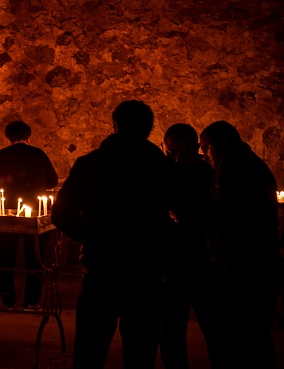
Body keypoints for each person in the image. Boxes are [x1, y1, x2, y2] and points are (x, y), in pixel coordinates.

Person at [51, 100, 177, 369]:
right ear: (149, 128)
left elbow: (61, 214)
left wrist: (91, 236)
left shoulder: (90, 164)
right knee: (141, 349)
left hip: (102, 265)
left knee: (90, 348)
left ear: (115, 126)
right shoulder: (162, 167)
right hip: (146, 267)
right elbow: (181, 215)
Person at [199, 120, 283, 369]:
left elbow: (226, 212)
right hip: (253, 263)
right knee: (253, 337)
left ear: (222, 141)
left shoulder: (234, 167)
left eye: (206, 147)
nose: (204, 155)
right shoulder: (244, 163)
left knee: (242, 338)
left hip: (245, 267)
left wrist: (191, 214)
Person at [0, 120, 58, 310]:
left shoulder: (0, 156)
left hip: (7, 212)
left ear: (8, 138)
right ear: (28, 136)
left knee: (6, 256)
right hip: (34, 212)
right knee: (34, 257)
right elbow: (53, 181)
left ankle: (7, 300)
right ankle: (31, 301)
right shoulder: (38, 154)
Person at [159, 123, 215, 369]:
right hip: (172, 265)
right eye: (171, 153)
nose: (178, 160)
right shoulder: (164, 173)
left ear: (197, 149)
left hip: (204, 263)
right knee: (171, 332)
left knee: (215, 330)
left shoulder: (210, 174)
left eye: (185, 153)